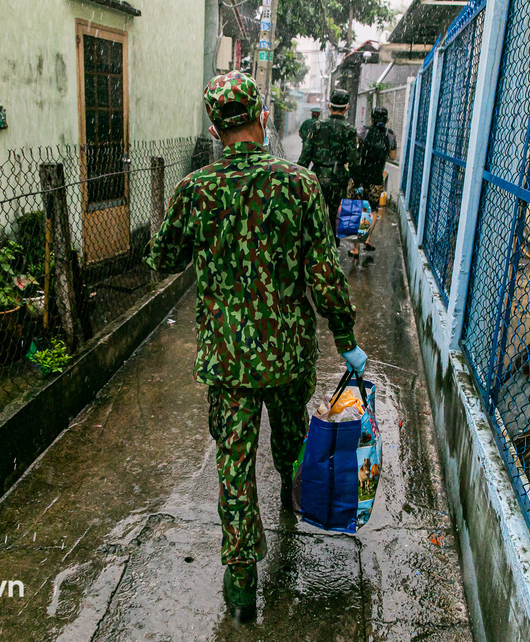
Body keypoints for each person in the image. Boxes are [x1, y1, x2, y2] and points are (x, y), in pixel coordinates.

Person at [145, 71, 368, 623]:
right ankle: (293, 502)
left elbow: (163, 260)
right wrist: (346, 338)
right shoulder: (299, 186)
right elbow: (324, 274)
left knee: (233, 461)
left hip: (227, 361)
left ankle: (241, 576)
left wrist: (187, 237)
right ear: (260, 119)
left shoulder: (195, 190)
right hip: (288, 356)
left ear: (217, 129)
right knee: (291, 441)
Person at [298, 89, 360, 246]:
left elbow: (305, 155)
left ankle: (315, 244)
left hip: (317, 176)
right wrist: (356, 181)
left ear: (328, 106)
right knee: (333, 214)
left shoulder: (317, 126)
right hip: (338, 178)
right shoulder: (350, 130)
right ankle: (332, 247)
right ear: (347, 108)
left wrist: (297, 177)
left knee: (315, 211)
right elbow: (353, 160)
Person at [350, 106, 397, 256]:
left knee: (357, 208)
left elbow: (354, 148)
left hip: (360, 178)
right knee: (373, 209)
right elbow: (393, 156)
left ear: (371, 119)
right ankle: (368, 238)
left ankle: (355, 248)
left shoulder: (363, 131)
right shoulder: (390, 135)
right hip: (376, 178)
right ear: (386, 120)